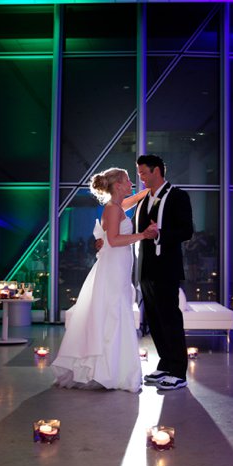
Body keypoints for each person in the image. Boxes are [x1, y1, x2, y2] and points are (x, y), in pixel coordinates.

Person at [51, 168, 155, 392]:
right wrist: (143, 235)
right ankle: (108, 371)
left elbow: (133, 200)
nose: (131, 183)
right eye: (128, 180)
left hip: (118, 266)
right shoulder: (112, 208)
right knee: (113, 312)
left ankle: (111, 368)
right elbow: (115, 241)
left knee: (114, 311)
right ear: (118, 185)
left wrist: (152, 189)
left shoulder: (117, 206)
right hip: (114, 267)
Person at [135, 154, 194, 391]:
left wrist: (160, 233)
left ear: (157, 171)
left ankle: (178, 371)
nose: (140, 177)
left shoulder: (178, 196)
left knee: (170, 318)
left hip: (167, 268)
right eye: (139, 173)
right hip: (146, 268)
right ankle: (166, 363)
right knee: (154, 319)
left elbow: (187, 231)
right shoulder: (143, 200)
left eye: (143, 172)